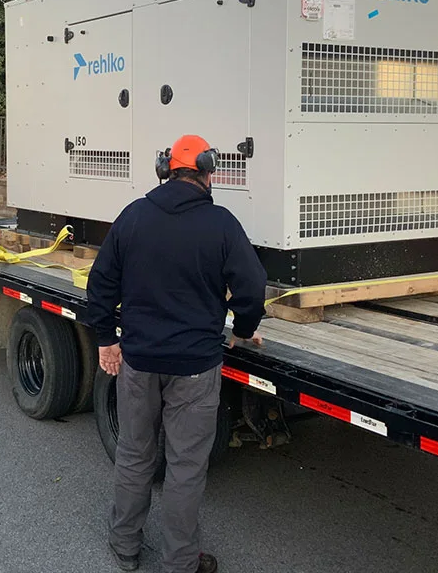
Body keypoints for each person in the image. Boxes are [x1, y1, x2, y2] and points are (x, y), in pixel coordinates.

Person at [86, 134, 267, 573]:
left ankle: (125, 546)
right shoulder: (222, 223)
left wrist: (107, 339)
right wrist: (243, 329)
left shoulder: (133, 217)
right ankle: (180, 563)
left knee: (134, 453)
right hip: (194, 367)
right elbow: (252, 286)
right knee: (185, 467)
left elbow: (100, 284)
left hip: (139, 360)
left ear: (165, 169)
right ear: (207, 172)